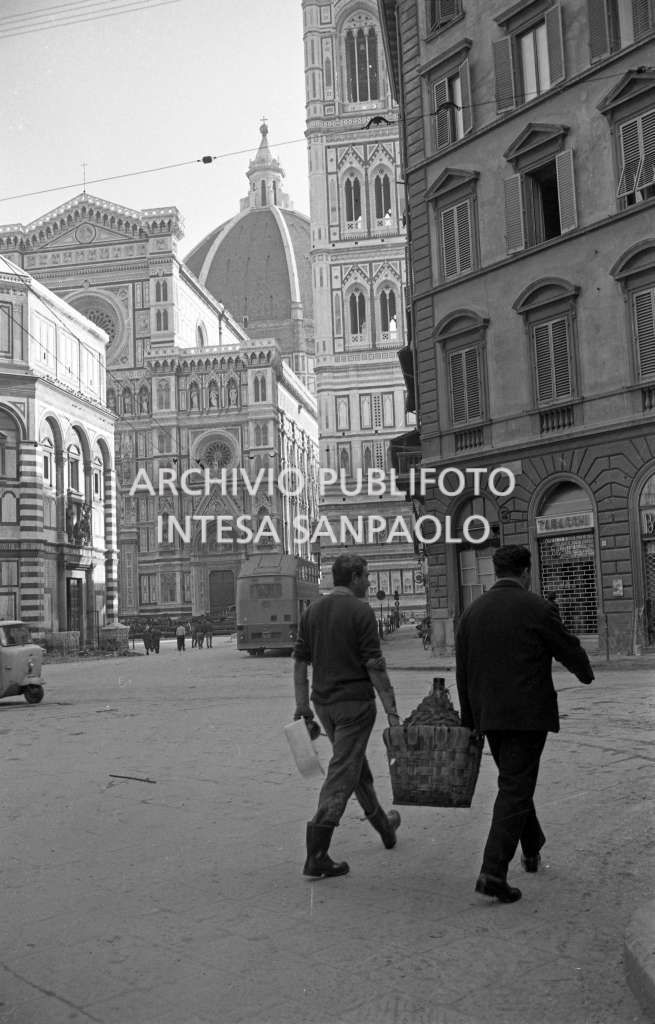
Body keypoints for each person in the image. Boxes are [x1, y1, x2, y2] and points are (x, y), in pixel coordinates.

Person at [455, 544, 594, 904]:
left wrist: (469, 721)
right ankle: (492, 872)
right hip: (527, 716)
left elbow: (463, 672)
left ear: (495, 570)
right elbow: (568, 648)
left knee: (515, 781)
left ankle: (531, 846)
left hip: (489, 717)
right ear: (526, 571)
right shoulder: (537, 608)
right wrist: (585, 673)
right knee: (516, 786)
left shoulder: (471, 613)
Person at [292, 553, 402, 879]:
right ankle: (317, 852)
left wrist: (302, 707)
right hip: (355, 706)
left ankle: (384, 826)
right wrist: (393, 713)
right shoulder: (361, 610)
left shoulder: (312, 611)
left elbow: (299, 663)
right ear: (354, 577)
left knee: (354, 765)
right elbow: (375, 667)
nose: (369, 582)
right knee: (343, 769)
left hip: (324, 705)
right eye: (366, 576)